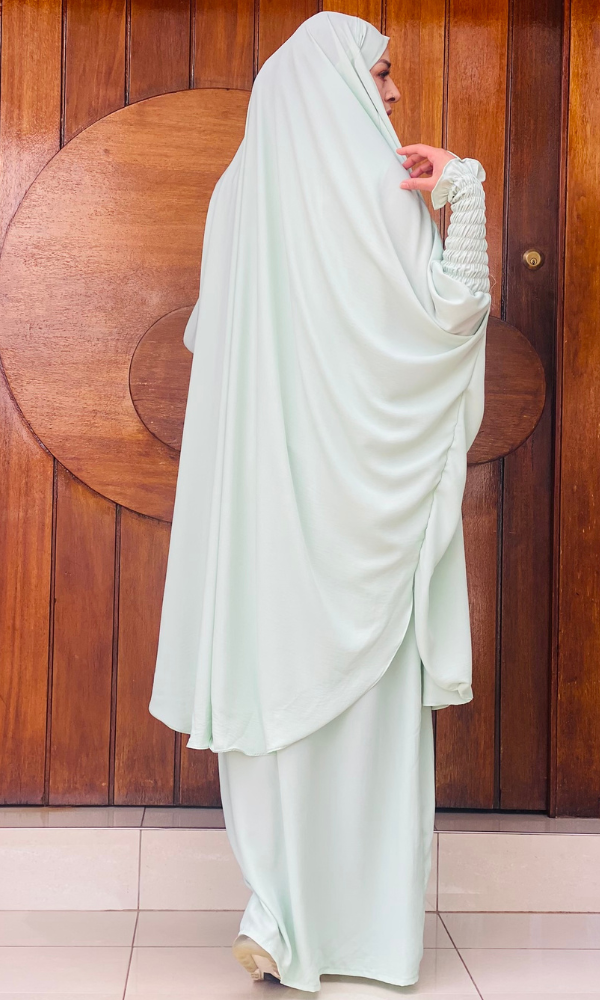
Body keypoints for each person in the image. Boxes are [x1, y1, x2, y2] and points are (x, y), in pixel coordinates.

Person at [149, 9, 490, 992]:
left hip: (267, 519)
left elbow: (215, 342)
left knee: (274, 692)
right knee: (362, 728)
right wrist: (464, 190)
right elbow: (449, 323)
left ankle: (277, 912)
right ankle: (352, 935)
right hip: (364, 519)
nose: (393, 92)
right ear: (337, 80)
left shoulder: (238, 194)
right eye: (380, 73)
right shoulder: (381, 189)